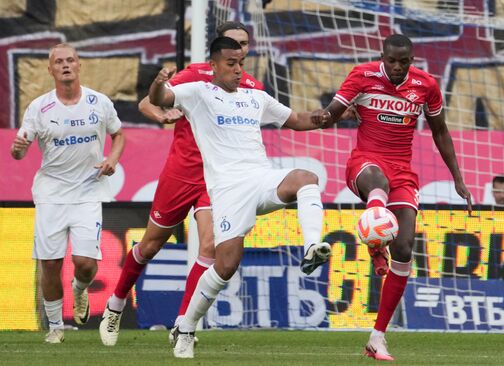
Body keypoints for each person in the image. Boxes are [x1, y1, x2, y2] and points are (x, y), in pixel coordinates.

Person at [149, 36, 331, 358]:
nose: (237, 70)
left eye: (241, 64)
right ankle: (186, 328)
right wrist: (158, 85)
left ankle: (312, 246)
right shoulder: (197, 93)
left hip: (261, 178)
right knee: (226, 265)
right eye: (231, 64)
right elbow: (162, 98)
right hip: (228, 191)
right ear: (214, 65)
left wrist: (324, 117)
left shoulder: (254, 97)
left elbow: (298, 120)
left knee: (307, 179)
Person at [98, 22, 262, 347]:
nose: (240, 50)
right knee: (149, 246)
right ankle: (115, 305)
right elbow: (148, 103)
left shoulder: (252, 87)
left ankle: (183, 323)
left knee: (209, 247)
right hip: (180, 174)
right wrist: (163, 115)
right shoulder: (193, 75)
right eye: (235, 44)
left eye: (244, 44)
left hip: (216, 181)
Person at [311, 34, 472, 361]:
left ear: (412, 60)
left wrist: (458, 178)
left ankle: (377, 338)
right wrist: (324, 117)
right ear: (382, 56)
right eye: (392, 61)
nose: (397, 67)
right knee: (378, 182)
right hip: (365, 164)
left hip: (403, 170)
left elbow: (440, 131)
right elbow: (333, 112)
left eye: (404, 61)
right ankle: (374, 234)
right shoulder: (363, 76)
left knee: (403, 246)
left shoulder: (425, 85)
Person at [10, 43, 125, 344]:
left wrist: (112, 160)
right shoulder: (39, 108)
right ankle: (56, 327)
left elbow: (119, 135)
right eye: (58, 61)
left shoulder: (99, 103)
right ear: (50, 69)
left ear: (79, 65)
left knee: (86, 263)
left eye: (70, 60)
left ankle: (80, 288)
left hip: (88, 190)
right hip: (51, 193)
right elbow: (18, 151)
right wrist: (17, 150)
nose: (65, 65)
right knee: (50, 263)